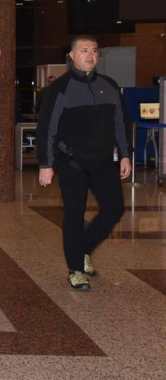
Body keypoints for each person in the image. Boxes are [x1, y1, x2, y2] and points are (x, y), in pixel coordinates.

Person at [36, 35, 132, 291]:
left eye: (94, 51)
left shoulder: (109, 85)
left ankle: (85, 249)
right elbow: (47, 128)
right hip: (72, 163)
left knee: (114, 209)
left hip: (103, 162)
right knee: (74, 215)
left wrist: (125, 154)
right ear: (72, 56)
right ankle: (75, 269)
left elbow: (121, 123)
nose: (90, 55)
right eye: (84, 50)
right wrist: (46, 164)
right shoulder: (60, 88)